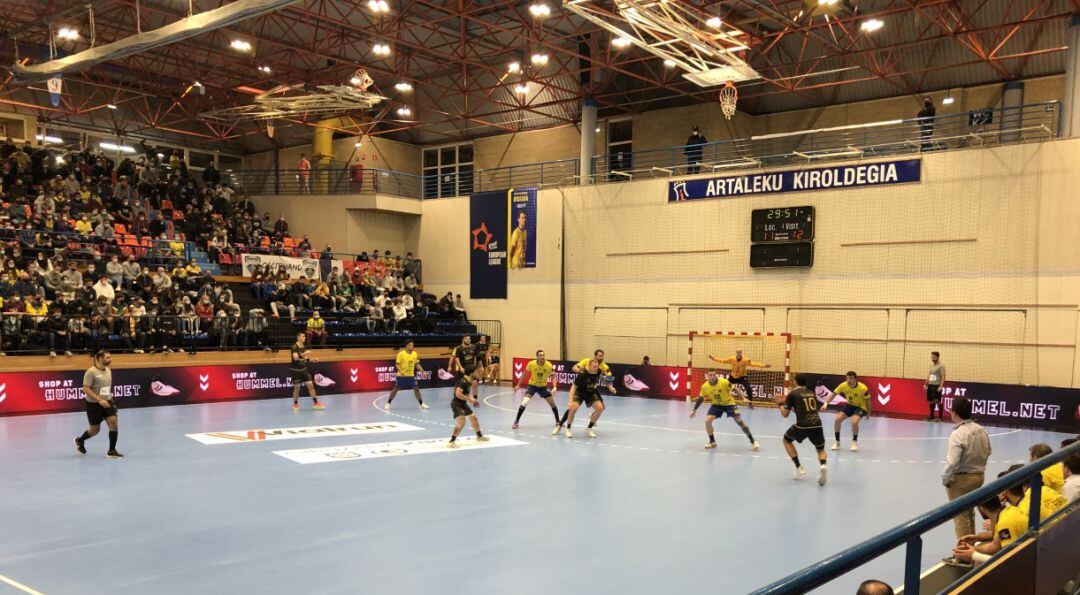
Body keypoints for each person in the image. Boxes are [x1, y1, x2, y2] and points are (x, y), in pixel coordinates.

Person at [942, 397, 991, 538]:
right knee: (970, 512)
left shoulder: (958, 434)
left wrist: (946, 479)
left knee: (960, 516)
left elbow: (952, 462)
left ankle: (963, 553)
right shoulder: (981, 430)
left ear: (955, 413)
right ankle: (971, 544)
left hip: (961, 480)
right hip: (979, 476)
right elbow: (988, 450)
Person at [691, 369, 760, 451]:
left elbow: (735, 389)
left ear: (716, 375)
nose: (712, 377)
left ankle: (753, 441)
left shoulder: (724, 382)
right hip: (716, 405)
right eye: (710, 375)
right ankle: (712, 442)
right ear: (707, 376)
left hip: (729, 404)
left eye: (713, 375)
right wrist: (694, 409)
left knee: (740, 421)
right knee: (707, 421)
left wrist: (743, 398)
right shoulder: (705, 386)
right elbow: (701, 398)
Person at [779, 374, 827, 485]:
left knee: (786, 440)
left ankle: (798, 467)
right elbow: (801, 409)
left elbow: (785, 415)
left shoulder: (793, 393)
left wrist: (780, 404)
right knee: (820, 449)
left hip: (803, 425)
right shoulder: (811, 392)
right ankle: (823, 464)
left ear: (796, 382)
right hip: (817, 424)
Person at [74, 351, 123, 458]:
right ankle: (80, 440)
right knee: (95, 430)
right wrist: (99, 400)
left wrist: (109, 399)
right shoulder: (91, 372)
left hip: (107, 402)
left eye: (110, 356)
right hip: (93, 405)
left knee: (114, 424)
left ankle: (111, 451)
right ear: (100, 358)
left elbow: (106, 388)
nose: (110, 359)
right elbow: (85, 389)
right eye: (107, 357)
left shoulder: (108, 371)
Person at [556, 358, 607, 438]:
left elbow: (602, 378)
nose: (596, 368)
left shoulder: (599, 371)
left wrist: (610, 387)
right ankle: (568, 428)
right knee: (573, 408)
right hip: (579, 392)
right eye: (594, 366)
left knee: (600, 408)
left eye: (597, 366)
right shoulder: (583, 374)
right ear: (589, 366)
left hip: (590, 392)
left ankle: (589, 428)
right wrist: (570, 401)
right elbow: (573, 387)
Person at [512, 349, 560, 431]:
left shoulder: (548, 365)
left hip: (543, 387)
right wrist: (518, 385)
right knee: (525, 402)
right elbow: (524, 374)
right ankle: (516, 422)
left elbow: (553, 376)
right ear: (537, 357)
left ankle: (558, 422)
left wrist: (555, 387)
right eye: (540, 355)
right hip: (532, 386)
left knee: (553, 404)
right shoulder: (531, 364)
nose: (542, 357)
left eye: (543, 355)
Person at [447, 366, 488, 449]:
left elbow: (467, 394)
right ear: (471, 373)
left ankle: (479, 436)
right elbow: (458, 394)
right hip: (456, 404)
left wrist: (473, 400)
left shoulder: (469, 381)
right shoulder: (462, 382)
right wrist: (469, 400)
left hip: (462, 404)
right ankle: (452, 441)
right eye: (476, 372)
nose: (477, 374)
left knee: (474, 418)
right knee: (462, 422)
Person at [830, 371, 871, 452]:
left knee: (854, 422)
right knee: (837, 419)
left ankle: (854, 442)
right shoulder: (843, 385)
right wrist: (825, 403)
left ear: (855, 379)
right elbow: (833, 394)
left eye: (851, 378)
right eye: (847, 378)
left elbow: (868, 401)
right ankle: (837, 442)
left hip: (861, 407)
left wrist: (869, 412)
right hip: (849, 405)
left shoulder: (863, 388)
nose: (848, 380)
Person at [385, 340, 428, 410]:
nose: (412, 346)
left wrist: (423, 372)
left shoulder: (415, 354)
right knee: (396, 389)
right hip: (401, 376)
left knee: (416, 389)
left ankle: (421, 404)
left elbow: (417, 364)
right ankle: (388, 403)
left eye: (413, 345)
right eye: (411, 345)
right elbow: (397, 364)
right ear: (407, 346)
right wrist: (401, 371)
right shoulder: (401, 354)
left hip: (411, 375)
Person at [290, 332, 324, 411]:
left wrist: (312, 360)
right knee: (297, 388)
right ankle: (295, 404)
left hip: (304, 370)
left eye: (305, 336)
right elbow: (295, 358)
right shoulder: (294, 347)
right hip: (296, 371)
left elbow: (305, 359)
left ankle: (316, 403)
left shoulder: (303, 347)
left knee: (310, 386)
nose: (304, 338)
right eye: (303, 336)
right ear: (298, 338)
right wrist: (305, 353)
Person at [925, 351, 946, 421]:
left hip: (936, 386)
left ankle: (940, 418)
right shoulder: (931, 366)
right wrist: (925, 384)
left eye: (934, 357)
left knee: (938, 401)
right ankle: (931, 416)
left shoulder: (941, 366)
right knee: (931, 401)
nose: (932, 358)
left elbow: (943, 377)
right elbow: (929, 375)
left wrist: (940, 386)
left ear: (938, 357)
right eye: (932, 357)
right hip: (930, 385)